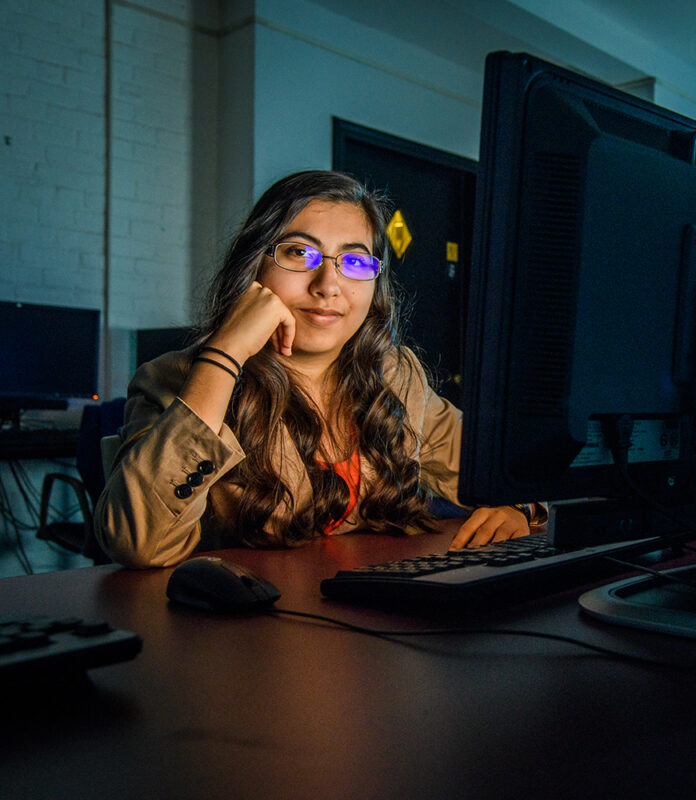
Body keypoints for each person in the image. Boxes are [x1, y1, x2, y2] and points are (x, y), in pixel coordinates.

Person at [95, 170, 542, 568]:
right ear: (255, 266)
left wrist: (519, 508)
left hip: (371, 626)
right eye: (298, 253)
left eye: (354, 261)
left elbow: (508, 470)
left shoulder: (395, 376)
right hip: (241, 638)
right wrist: (225, 352)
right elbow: (138, 542)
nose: (328, 285)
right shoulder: (174, 380)